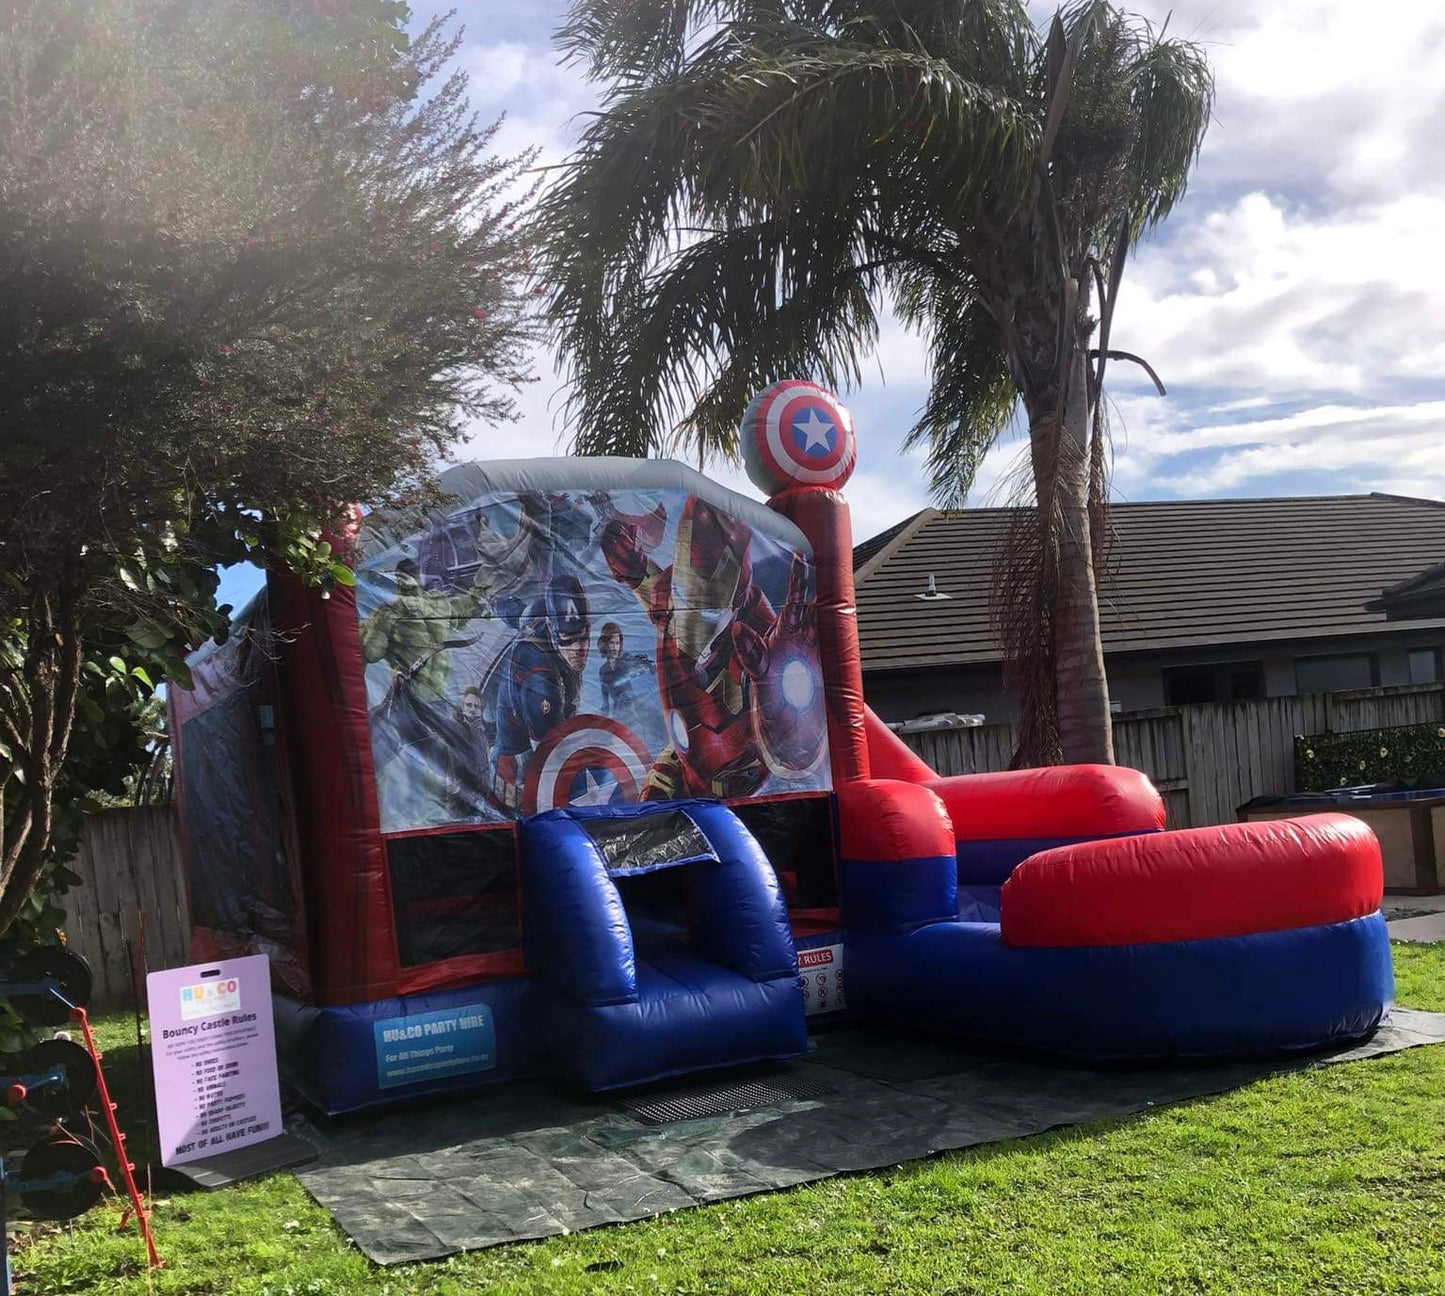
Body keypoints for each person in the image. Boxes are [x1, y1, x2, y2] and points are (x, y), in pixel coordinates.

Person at [597, 621, 653, 716]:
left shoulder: (625, 660)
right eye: (611, 643)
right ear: (605, 644)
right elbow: (605, 702)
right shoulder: (603, 671)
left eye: (617, 643)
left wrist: (648, 665)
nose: (615, 648)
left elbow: (643, 663)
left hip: (635, 708)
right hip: (619, 714)